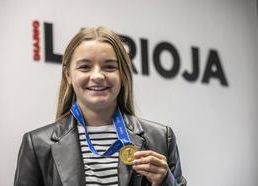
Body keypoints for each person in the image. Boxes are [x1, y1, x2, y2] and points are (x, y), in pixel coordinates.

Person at [14, 26, 187, 186]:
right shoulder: (37, 144)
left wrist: (165, 181)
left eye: (109, 67)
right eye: (85, 67)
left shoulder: (161, 138)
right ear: (68, 75)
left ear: (123, 74)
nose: (97, 76)